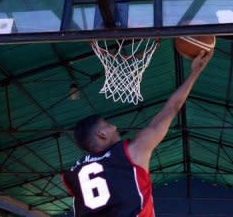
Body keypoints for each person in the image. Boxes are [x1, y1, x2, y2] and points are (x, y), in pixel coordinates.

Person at [61, 49, 214, 217]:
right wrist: (195, 72)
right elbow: (171, 109)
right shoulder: (131, 152)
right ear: (101, 134)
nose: (114, 126)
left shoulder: (75, 171)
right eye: (107, 124)